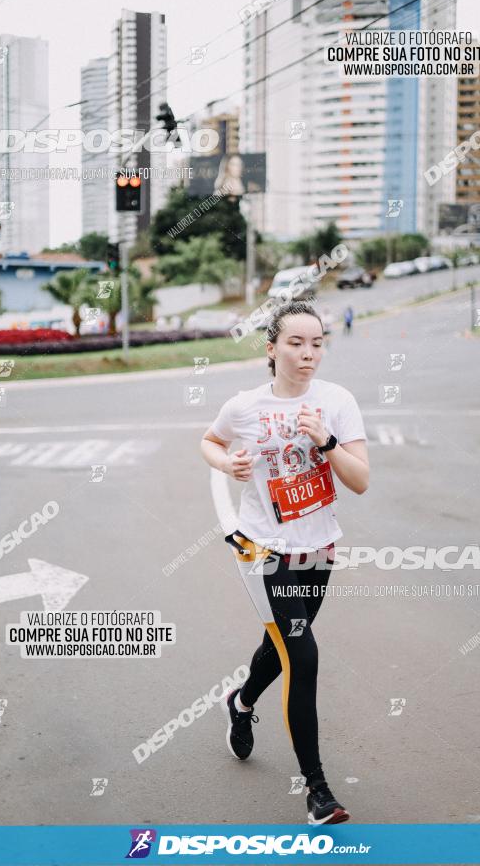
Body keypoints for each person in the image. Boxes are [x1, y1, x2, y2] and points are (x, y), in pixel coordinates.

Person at [201, 300, 369, 825]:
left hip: (318, 548)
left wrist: (327, 441)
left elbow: (360, 480)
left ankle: (241, 702)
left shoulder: (337, 401)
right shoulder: (245, 406)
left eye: (317, 343)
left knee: (282, 646)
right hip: (260, 548)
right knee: (303, 655)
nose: (308, 353)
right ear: (271, 348)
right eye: (295, 343)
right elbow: (209, 441)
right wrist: (229, 462)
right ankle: (318, 791)